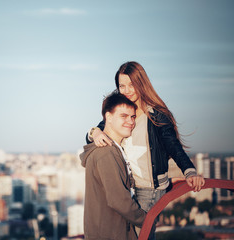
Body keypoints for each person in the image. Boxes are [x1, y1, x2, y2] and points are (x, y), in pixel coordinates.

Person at [86, 61, 205, 239]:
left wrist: (190, 172)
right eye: (121, 86)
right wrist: (94, 132)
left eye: (131, 85)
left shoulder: (156, 115)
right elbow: (100, 130)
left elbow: (173, 146)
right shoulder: (124, 112)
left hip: (148, 190)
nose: (126, 90)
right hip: (131, 187)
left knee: (141, 235)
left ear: (141, 83)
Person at [80, 92, 146, 240]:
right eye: (124, 116)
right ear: (108, 117)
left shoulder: (113, 149)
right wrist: (147, 220)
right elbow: (119, 201)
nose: (130, 121)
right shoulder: (107, 153)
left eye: (132, 116)